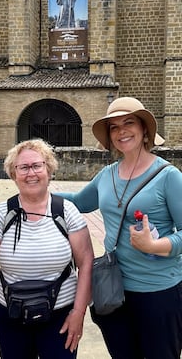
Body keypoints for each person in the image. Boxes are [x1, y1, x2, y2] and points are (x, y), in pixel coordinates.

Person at [56, 97, 182, 359]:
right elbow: (80, 202)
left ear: (144, 128)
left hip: (158, 292)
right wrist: (36, 194)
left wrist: (155, 246)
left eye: (128, 123)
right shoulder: (107, 174)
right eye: (114, 127)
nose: (121, 131)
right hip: (112, 289)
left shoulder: (169, 176)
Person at [0, 139, 94, 359]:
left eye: (37, 165)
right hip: (10, 314)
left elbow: (86, 263)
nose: (31, 173)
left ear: (49, 169)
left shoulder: (66, 211)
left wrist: (78, 313)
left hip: (60, 316)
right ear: (13, 174)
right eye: (23, 167)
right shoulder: (1, 213)